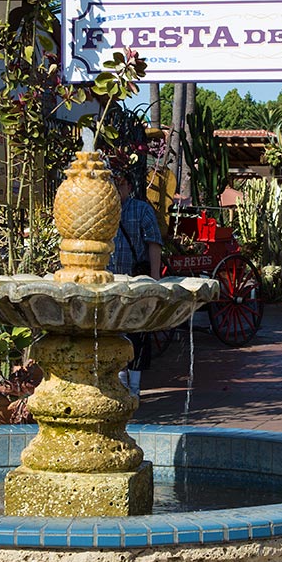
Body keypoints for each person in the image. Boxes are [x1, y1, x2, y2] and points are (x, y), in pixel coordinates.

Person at [108, 168, 162, 400]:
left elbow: (154, 242)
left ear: (129, 187)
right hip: (109, 283)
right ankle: (120, 385)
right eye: (112, 184)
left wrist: (155, 277)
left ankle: (135, 388)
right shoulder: (103, 210)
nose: (115, 189)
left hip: (135, 281)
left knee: (137, 334)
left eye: (120, 185)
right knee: (114, 333)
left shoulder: (141, 209)